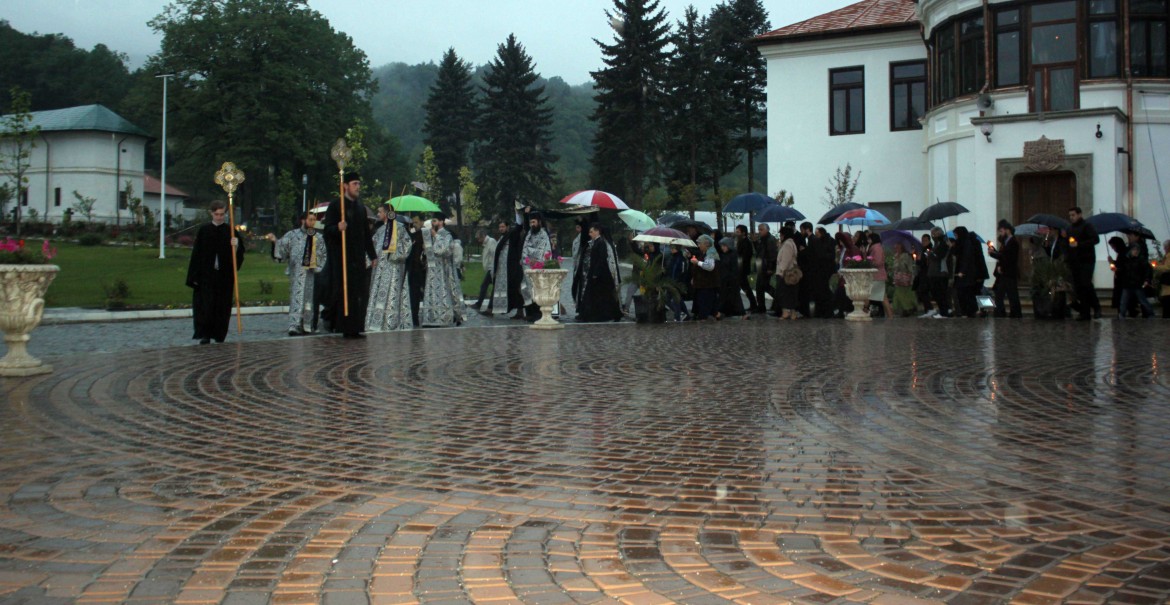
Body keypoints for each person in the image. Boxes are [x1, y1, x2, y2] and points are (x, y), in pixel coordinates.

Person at [321, 172, 377, 338]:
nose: (358, 187)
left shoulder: (360, 208)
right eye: (354, 184)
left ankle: (355, 326)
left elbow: (366, 234)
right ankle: (339, 324)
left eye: (359, 184)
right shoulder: (336, 206)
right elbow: (327, 231)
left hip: (357, 257)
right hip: (341, 257)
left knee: (358, 293)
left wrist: (372, 255)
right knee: (342, 291)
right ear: (345, 185)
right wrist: (337, 228)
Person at [186, 200, 245, 344]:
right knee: (206, 306)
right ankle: (205, 334)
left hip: (224, 276)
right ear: (212, 213)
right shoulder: (204, 231)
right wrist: (194, 275)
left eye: (222, 214)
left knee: (222, 306)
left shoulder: (230, 231)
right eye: (217, 214)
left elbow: (239, 255)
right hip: (207, 275)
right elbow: (196, 254)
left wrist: (236, 247)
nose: (220, 217)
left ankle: (219, 334)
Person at [267, 210, 326, 336]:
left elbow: (323, 254)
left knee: (309, 300)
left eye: (314, 220)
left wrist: (315, 261)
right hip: (296, 273)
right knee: (296, 298)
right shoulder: (292, 235)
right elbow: (281, 249)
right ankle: (294, 325)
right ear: (303, 220)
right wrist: (274, 241)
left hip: (311, 274)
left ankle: (307, 325)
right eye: (310, 219)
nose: (312, 222)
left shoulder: (318, 237)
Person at [365, 204, 413, 333]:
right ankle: (376, 321)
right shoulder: (380, 230)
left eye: (380, 212)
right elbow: (373, 247)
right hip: (379, 269)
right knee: (377, 294)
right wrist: (369, 260)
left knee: (393, 293)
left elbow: (407, 245)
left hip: (394, 267)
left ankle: (391, 322)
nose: (378, 214)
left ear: (387, 213)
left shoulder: (400, 228)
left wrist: (395, 255)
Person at [574, 223, 623, 322]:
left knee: (604, 295)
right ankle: (589, 315)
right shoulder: (596, 242)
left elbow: (601, 259)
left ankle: (613, 314)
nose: (590, 234)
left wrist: (596, 273)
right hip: (596, 273)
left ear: (597, 232)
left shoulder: (601, 242)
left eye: (592, 232)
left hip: (600, 274)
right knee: (597, 295)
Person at [420, 216, 461, 327]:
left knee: (444, 292)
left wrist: (435, 236)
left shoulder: (447, 235)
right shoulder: (431, 234)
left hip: (443, 269)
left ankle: (444, 317)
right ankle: (432, 317)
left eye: (435, 220)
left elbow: (443, 250)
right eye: (432, 220)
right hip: (432, 269)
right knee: (432, 292)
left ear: (441, 222)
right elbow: (430, 251)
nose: (432, 223)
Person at [1064, 206, 1101, 320]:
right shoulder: (1069, 229)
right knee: (1079, 287)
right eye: (1070, 215)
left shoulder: (1087, 226)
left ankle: (1096, 307)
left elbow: (1095, 239)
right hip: (1075, 261)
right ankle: (1085, 312)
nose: (1071, 217)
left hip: (1087, 260)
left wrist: (1079, 244)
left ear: (1079, 214)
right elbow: (1068, 244)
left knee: (1086, 284)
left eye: (1073, 215)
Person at [519, 210, 552, 321]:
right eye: (530, 222)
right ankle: (530, 314)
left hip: (538, 267)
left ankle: (538, 315)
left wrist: (534, 259)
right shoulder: (529, 234)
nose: (532, 225)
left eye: (533, 222)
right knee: (527, 290)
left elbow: (542, 251)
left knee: (537, 290)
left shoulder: (543, 234)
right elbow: (525, 248)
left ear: (539, 222)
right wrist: (528, 259)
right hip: (528, 266)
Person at [952, 226, 988, 318]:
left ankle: (979, 310)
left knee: (974, 292)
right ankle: (980, 310)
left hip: (974, 273)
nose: (956, 237)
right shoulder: (968, 242)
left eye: (956, 235)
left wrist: (962, 271)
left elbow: (967, 258)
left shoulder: (968, 243)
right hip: (976, 272)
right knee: (976, 292)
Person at [1118, 230, 1155, 318]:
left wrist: (1146, 280)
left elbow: (1146, 269)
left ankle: (1150, 313)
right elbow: (1124, 268)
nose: (1135, 252)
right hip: (1128, 282)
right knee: (1124, 301)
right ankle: (1121, 315)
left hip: (1137, 283)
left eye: (1136, 250)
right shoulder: (1127, 259)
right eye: (1134, 250)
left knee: (1142, 300)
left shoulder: (1141, 259)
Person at [990, 219, 1022, 318]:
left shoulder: (1013, 242)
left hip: (1009, 273)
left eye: (1001, 231)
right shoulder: (1006, 242)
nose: (1001, 233)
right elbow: (1003, 255)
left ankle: (1014, 314)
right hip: (1004, 273)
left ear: (1007, 230)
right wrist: (994, 252)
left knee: (1011, 295)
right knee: (1000, 295)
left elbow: (1008, 258)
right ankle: (1001, 313)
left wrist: (994, 254)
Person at [861, 232, 893, 318]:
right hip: (878, 276)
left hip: (876, 276)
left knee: (867, 294)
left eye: (869, 238)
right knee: (883, 297)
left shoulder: (876, 248)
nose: (868, 240)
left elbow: (878, 262)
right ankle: (890, 316)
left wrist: (869, 261)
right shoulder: (875, 247)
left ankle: (864, 312)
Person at [689, 234, 720, 320]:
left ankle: (705, 320)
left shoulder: (711, 252)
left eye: (700, 243)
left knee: (705, 304)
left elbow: (710, 266)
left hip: (708, 284)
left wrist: (697, 263)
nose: (698, 246)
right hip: (702, 284)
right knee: (706, 304)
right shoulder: (703, 253)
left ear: (706, 244)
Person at [924, 227, 952, 318]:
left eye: (934, 234)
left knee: (941, 293)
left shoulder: (943, 243)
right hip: (933, 272)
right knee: (936, 293)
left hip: (940, 272)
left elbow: (939, 256)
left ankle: (944, 312)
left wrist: (931, 254)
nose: (933, 236)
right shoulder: (937, 243)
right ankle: (942, 310)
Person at [716, 237, 746, 319]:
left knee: (734, 298)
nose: (722, 248)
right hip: (725, 280)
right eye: (721, 246)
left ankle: (742, 314)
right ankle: (723, 312)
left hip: (731, 280)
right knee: (726, 297)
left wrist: (732, 279)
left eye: (724, 246)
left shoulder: (733, 255)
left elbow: (734, 269)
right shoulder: (724, 255)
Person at [810, 227, 837, 318]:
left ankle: (826, 311)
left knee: (824, 290)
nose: (816, 236)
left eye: (817, 234)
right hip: (823, 269)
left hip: (824, 270)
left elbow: (827, 255)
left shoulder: (827, 242)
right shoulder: (825, 241)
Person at [774, 226, 800, 320]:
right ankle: (793, 313)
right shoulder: (790, 243)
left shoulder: (787, 244)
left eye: (781, 234)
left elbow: (785, 259)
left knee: (785, 293)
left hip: (786, 274)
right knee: (791, 293)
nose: (780, 236)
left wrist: (781, 272)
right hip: (790, 272)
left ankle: (786, 312)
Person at [406, 215, 427, 326]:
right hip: (413, 268)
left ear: (422, 222)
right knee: (414, 294)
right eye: (413, 222)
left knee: (426, 292)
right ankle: (414, 318)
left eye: (416, 222)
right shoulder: (412, 234)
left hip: (423, 269)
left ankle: (429, 317)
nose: (414, 224)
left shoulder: (426, 234)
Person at [754, 224, 779, 315]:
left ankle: (778, 299)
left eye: (761, 230)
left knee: (763, 286)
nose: (759, 231)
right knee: (760, 287)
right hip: (762, 266)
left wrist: (770, 267)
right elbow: (759, 251)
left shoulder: (770, 239)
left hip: (766, 267)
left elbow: (772, 255)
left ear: (767, 230)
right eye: (759, 229)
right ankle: (761, 307)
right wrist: (755, 242)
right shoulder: (763, 239)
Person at [471, 228, 497, 312]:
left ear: (483, 236)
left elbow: (494, 255)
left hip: (492, 268)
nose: (478, 241)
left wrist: (494, 268)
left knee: (484, 285)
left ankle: (480, 304)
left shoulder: (491, 242)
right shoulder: (486, 243)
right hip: (490, 268)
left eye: (479, 238)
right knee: (489, 287)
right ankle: (487, 305)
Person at [890, 242, 917, 317]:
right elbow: (895, 267)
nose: (896, 249)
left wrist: (899, 261)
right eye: (895, 247)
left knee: (905, 293)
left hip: (905, 277)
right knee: (899, 293)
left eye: (898, 247)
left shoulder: (905, 256)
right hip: (898, 278)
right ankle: (904, 308)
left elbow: (908, 267)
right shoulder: (895, 256)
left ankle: (908, 308)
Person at [733, 226, 756, 313]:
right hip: (740, 268)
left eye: (738, 232)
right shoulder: (740, 241)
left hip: (742, 268)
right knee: (744, 286)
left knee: (744, 286)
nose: (736, 233)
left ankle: (752, 304)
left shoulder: (746, 243)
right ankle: (752, 303)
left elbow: (745, 256)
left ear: (743, 233)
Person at [1155, 239, 1170, 318]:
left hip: (1168, 284)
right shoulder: (1166, 256)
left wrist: (1157, 267)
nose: (1164, 249)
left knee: (1167, 303)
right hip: (1166, 284)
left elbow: (1168, 267)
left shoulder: (1169, 256)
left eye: (1165, 247)